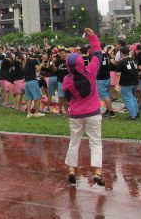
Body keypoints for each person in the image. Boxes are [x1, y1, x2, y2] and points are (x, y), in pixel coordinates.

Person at [63, 28, 105, 186]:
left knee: (74, 142)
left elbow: (67, 97)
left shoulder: (67, 80)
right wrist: (93, 37)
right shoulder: (91, 71)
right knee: (96, 142)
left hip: (76, 115)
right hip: (93, 113)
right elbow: (98, 54)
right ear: (82, 62)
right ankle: (97, 173)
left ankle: (72, 170)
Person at [114, 46, 140, 120]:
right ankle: (136, 112)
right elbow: (137, 72)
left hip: (126, 83)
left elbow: (118, 74)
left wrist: (116, 85)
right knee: (133, 98)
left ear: (121, 53)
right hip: (135, 82)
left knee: (128, 99)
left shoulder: (121, 63)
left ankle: (132, 115)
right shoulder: (135, 61)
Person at [97, 44, 116, 118]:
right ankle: (108, 109)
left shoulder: (98, 56)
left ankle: (111, 112)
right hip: (107, 76)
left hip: (101, 78)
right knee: (106, 94)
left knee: (104, 95)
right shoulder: (106, 54)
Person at [54, 49, 69, 116]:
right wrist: (53, 63)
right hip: (60, 81)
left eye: (63, 53)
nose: (62, 55)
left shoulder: (69, 60)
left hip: (68, 81)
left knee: (67, 97)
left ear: (65, 53)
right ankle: (66, 112)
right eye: (61, 53)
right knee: (62, 97)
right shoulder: (57, 61)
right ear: (59, 54)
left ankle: (63, 111)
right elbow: (55, 70)